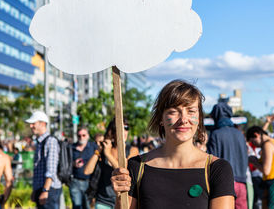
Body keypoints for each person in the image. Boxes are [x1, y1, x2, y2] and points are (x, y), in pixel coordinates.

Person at [111, 80, 235, 209]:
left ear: (199, 118)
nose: (183, 120)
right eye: (173, 111)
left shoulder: (218, 170)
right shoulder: (136, 167)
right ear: (161, 119)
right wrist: (120, 197)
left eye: (191, 111)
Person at [84, 120, 138, 209]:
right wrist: (99, 150)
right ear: (112, 132)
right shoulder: (106, 148)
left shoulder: (132, 150)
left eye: (126, 128)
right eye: (120, 128)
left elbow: (124, 172)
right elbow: (87, 171)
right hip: (103, 199)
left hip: (123, 199)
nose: (124, 131)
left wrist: (108, 155)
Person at [207, 99, 248, 209]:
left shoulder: (215, 134)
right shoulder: (239, 134)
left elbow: (211, 160)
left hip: (224, 185)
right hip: (241, 183)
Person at [26, 111, 62, 209]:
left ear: (43, 124)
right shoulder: (40, 142)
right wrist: (35, 190)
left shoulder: (50, 141)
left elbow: (51, 170)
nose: (31, 126)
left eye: (34, 123)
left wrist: (45, 191)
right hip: (43, 189)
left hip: (49, 190)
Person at [69, 127, 97, 209]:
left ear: (88, 136)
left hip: (89, 182)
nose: (81, 137)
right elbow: (66, 163)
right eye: (79, 136)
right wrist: (73, 163)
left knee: (88, 206)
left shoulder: (93, 147)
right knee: (77, 206)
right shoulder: (72, 147)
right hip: (75, 181)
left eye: (84, 135)